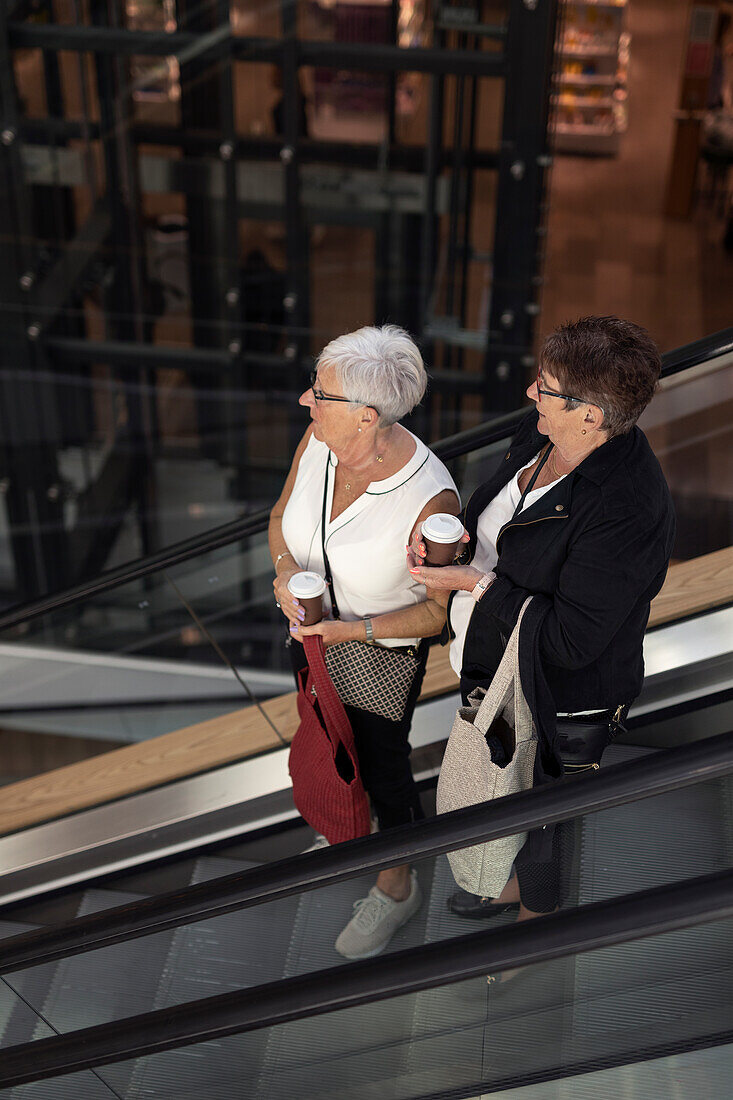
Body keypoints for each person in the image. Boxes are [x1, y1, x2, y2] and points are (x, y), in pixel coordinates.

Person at [409, 316, 675, 950]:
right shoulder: (544, 436)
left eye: (547, 387)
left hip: (560, 694)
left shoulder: (627, 506)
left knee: (539, 813)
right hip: (496, 661)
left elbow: (571, 641)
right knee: (503, 789)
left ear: (590, 415)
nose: (531, 394)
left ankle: (540, 922)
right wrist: (452, 537)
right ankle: (509, 887)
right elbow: (502, 519)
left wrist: (474, 585)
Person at [269, 324, 460, 959]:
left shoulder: (430, 498)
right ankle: (351, 826)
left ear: (367, 416)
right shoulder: (322, 438)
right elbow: (278, 518)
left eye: (319, 394)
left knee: (382, 770)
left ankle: (397, 883)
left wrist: (349, 630)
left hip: (377, 651)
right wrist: (280, 575)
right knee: (325, 737)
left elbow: (437, 614)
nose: (305, 401)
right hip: (313, 633)